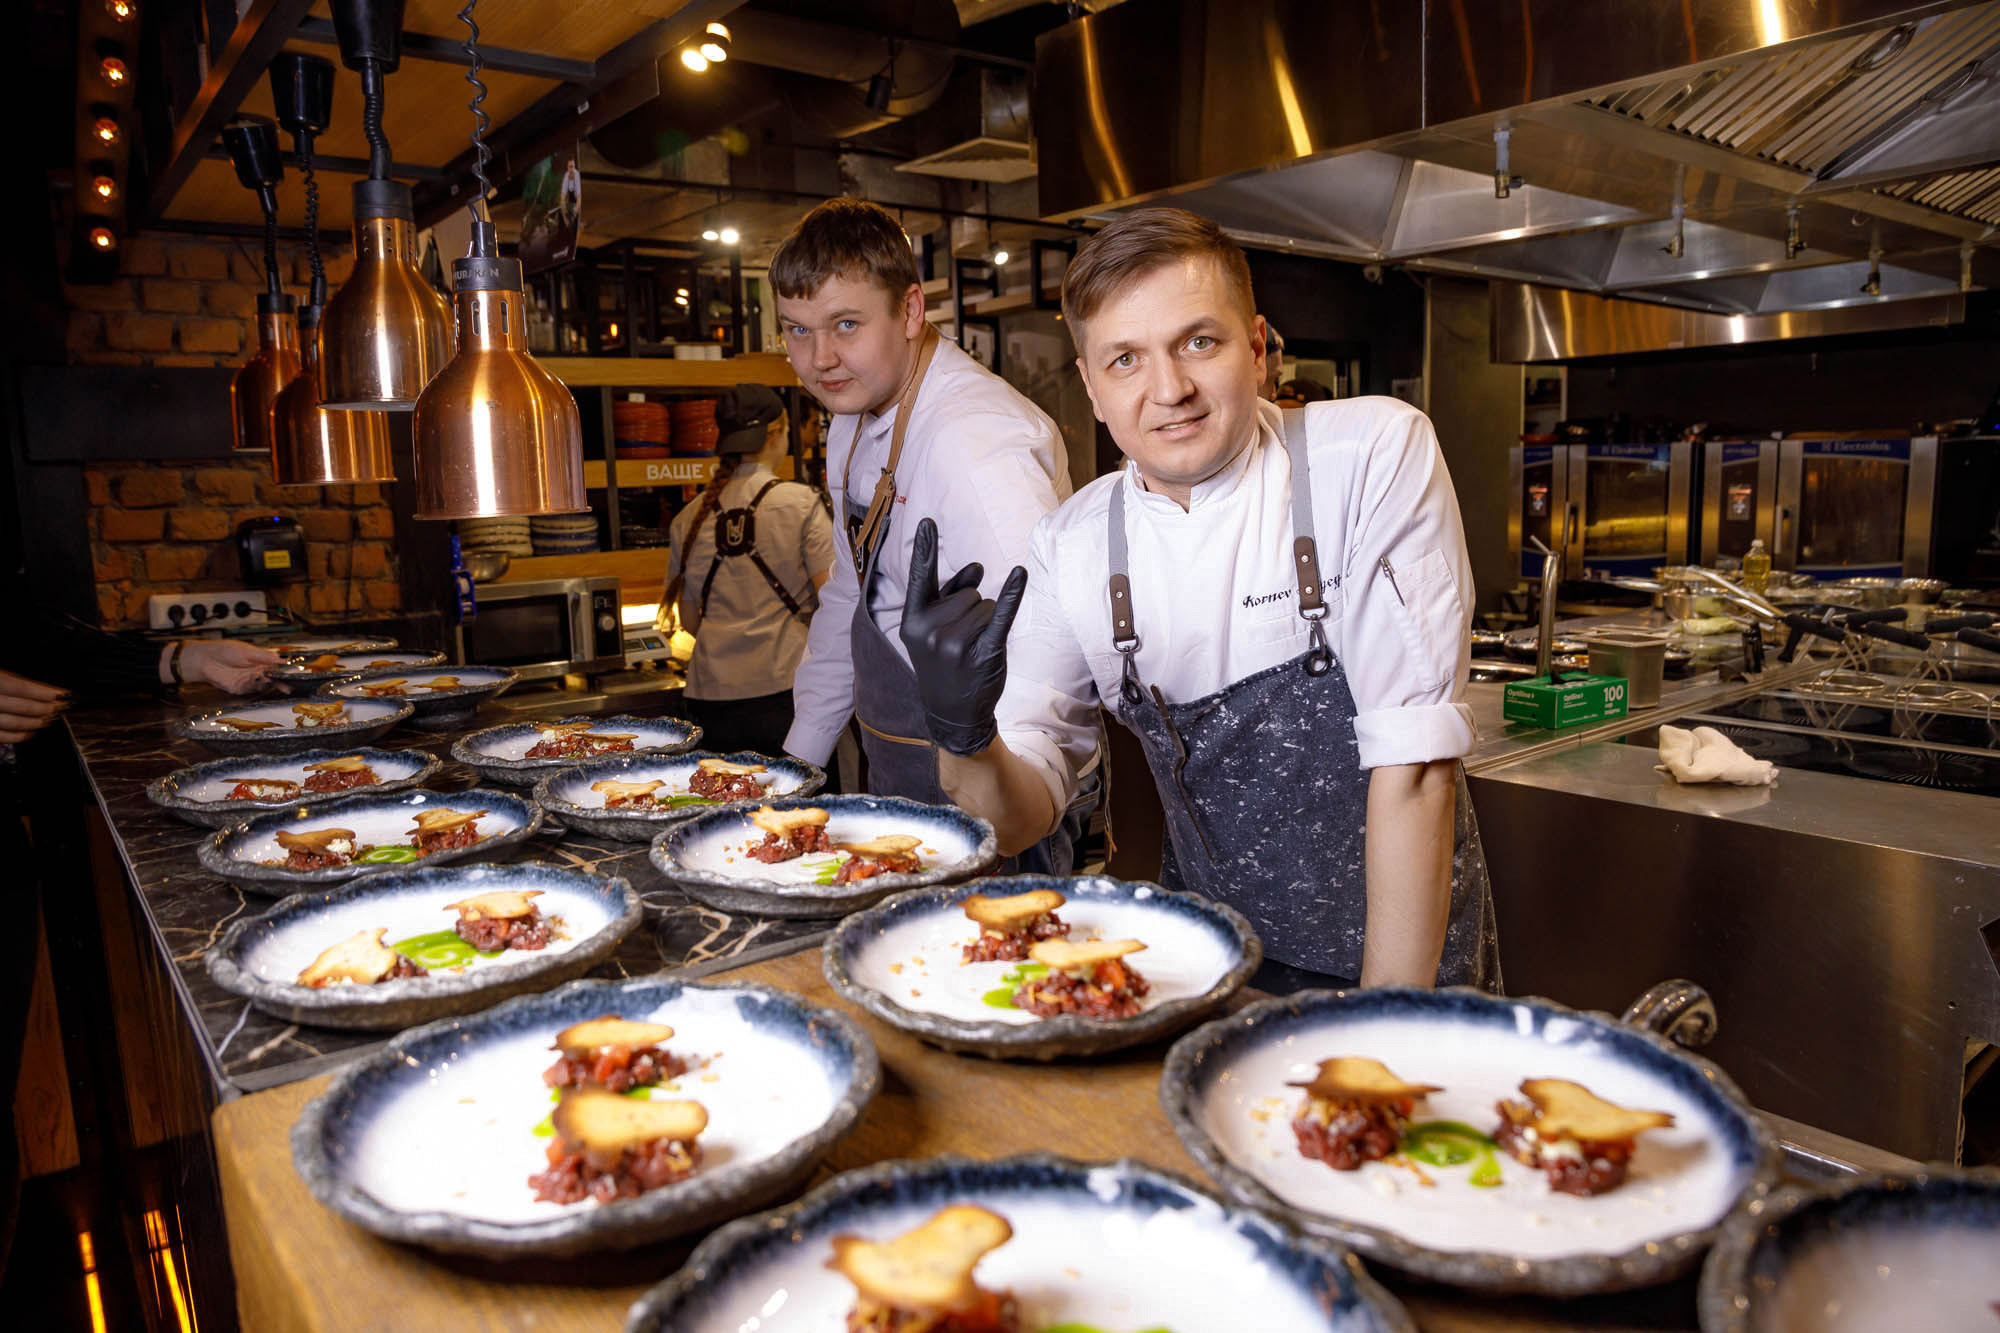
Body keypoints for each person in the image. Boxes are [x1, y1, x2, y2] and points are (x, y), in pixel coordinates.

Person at [895, 208, 1499, 992]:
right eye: (1126, 360)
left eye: (1198, 342)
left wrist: (1376, 1036)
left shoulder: (1369, 455)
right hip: (1209, 977)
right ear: (1091, 386)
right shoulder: (1074, 544)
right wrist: (963, 736)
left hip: (1405, 971)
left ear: (1256, 348)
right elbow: (1021, 816)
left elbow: (1416, 772)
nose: (1169, 389)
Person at [772, 197, 1092, 872]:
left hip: (994, 803)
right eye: (796, 331)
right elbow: (849, 596)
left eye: (846, 325)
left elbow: (1048, 657)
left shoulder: (976, 445)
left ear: (911, 311)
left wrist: (1009, 807)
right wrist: (797, 763)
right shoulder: (850, 420)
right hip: (897, 771)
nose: (819, 357)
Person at [662, 384, 835, 758]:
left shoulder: (686, 519)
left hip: (711, 699)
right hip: (786, 693)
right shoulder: (801, 504)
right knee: (799, 812)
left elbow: (689, 621)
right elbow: (832, 603)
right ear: (776, 434)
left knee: (728, 808)